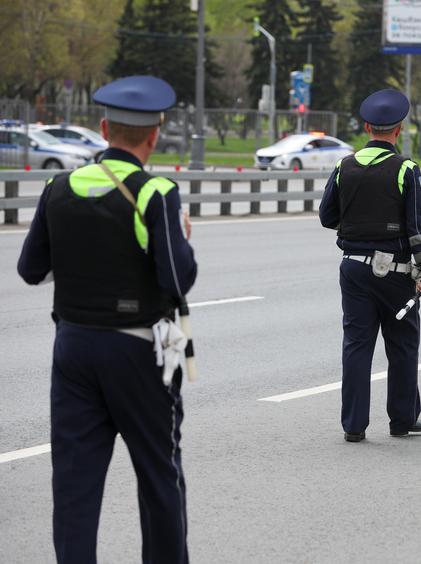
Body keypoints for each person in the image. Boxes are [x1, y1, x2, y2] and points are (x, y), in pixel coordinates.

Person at [17, 75, 197, 564]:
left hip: (72, 348)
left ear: (102, 128)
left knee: (74, 485)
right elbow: (179, 279)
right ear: (154, 135)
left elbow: (30, 269)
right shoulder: (155, 192)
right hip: (139, 350)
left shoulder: (58, 187)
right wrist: (181, 237)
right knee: (159, 475)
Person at [319, 89, 421, 442]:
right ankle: (402, 421)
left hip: (353, 269)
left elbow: (328, 217)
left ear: (368, 127)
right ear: (398, 130)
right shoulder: (406, 169)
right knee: (402, 344)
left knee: (357, 345)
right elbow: (418, 227)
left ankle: (354, 426)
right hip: (396, 274)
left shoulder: (344, 165)